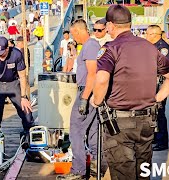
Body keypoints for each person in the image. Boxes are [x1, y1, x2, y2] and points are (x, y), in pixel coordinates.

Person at [92, 5, 169, 179]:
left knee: (123, 173)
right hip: (146, 122)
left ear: (111, 25)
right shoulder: (149, 47)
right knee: (143, 172)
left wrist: (96, 101)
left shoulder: (111, 48)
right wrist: (157, 98)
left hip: (119, 123)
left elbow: (102, 79)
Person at [56, 19, 101, 180]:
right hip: (89, 93)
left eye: (73, 33)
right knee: (92, 131)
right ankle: (97, 166)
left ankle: (79, 169)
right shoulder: (89, 46)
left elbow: (93, 73)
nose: (73, 37)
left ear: (78, 31)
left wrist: (84, 98)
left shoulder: (90, 45)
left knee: (75, 130)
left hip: (86, 92)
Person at [0, 36, 34, 148]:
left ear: (7, 48)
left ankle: (29, 138)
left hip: (13, 83)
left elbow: (22, 76)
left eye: (1, 52)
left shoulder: (16, 54)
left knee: (26, 111)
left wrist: (24, 97)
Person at [146, 25, 169, 151]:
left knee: (160, 112)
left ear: (156, 35)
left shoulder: (163, 48)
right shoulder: (152, 47)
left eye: (149, 34)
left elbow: (163, 67)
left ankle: (163, 141)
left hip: (161, 84)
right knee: (154, 113)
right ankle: (156, 138)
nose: (147, 36)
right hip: (153, 83)